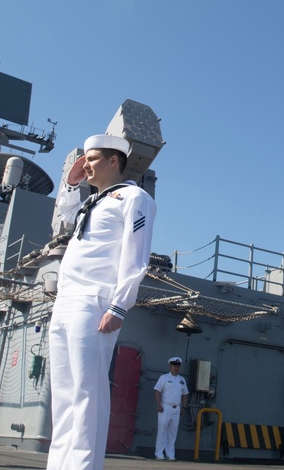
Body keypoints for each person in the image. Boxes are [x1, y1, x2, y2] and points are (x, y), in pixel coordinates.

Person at [47, 134, 156, 470]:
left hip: (93, 302)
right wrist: (70, 181)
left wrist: (119, 305)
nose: (85, 165)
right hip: (65, 302)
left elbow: (136, 256)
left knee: (87, 393)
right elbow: (63, 216)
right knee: (63, 395)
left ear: (114, 161)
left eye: (92, 159)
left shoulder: (134, 198)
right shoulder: (89, 203)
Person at [153, 356, 189, 461]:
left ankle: (170, 454)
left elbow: (185, 394)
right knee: (162, 431)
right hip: (165, 407)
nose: (176, 368)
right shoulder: (164, 378)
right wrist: (158, 405)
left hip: (176, 408)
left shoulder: (182, 380)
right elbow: (157, 391)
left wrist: (184, 407)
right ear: (170, 366)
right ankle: (159, 453)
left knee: (173, 432)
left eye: (177, 366)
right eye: (174, 366)